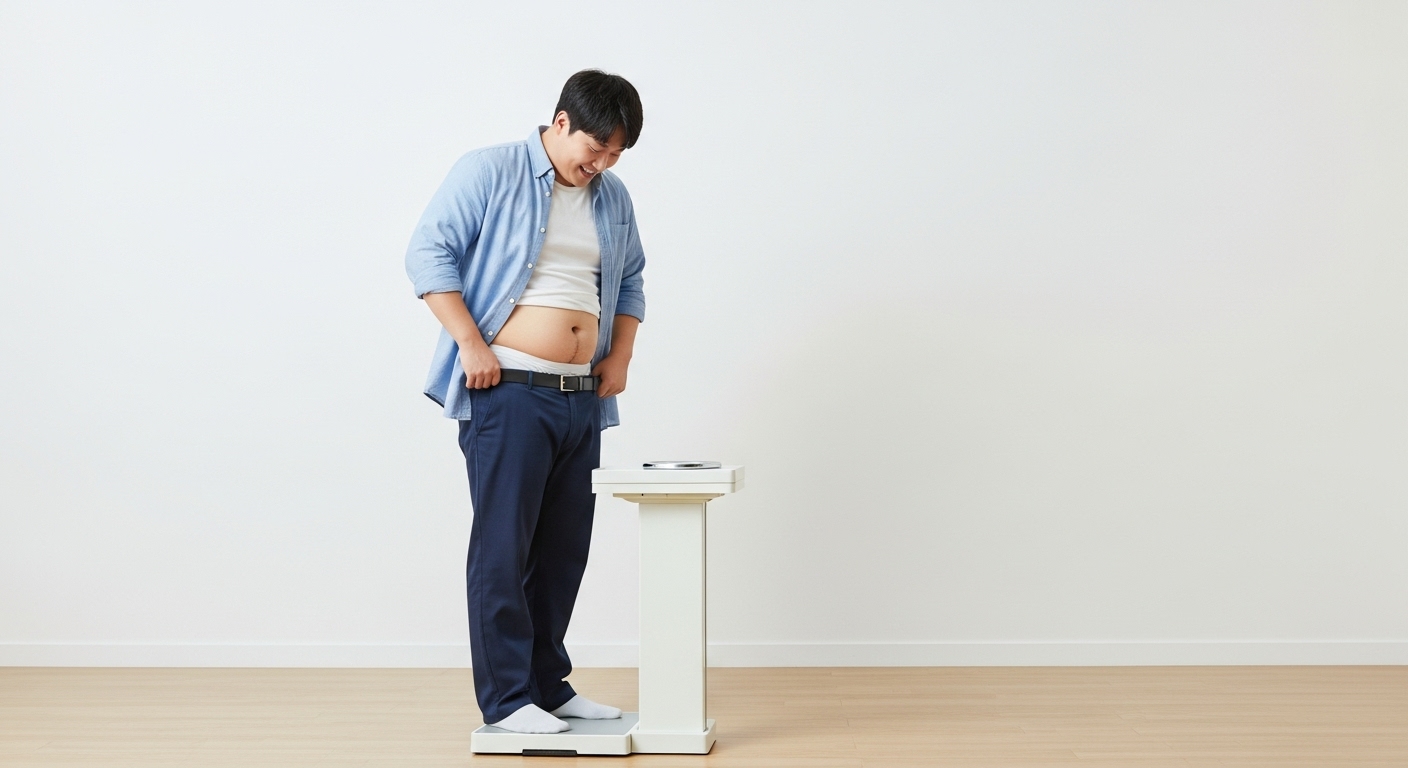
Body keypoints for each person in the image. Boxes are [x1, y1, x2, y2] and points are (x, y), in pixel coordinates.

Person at [404, 70, 646, 734]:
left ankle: (547, 686)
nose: (601, 165)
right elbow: (428, 253)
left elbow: (630, 278)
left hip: (580, 398)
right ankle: (508, 699)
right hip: (508, 391)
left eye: (616, 154)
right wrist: (469, 343)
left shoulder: (612, 197)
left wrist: (620, 354)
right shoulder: (490, 170)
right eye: (595, 148)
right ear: (561, 122)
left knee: (563, 550)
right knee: (504, 549)